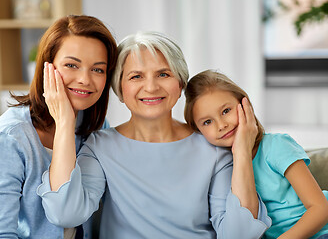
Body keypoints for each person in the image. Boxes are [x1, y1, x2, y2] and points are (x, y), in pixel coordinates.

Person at [37, 31, 271, 238]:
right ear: (119, 88)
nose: (151, 87)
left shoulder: (212, 150)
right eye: (136, 76)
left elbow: (239, 234)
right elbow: (65, 214)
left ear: (180, 85)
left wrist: (240, 152)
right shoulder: (99, 147)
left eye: (163, 74)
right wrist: (65, 122)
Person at [0, 15, 117, 238]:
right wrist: (65, 122)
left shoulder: (95, 127)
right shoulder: (9, 137)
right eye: (71, 65)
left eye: (98, 69)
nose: (85, 79)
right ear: (47, 67)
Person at [184, 69, 328, 239]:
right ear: (198, 131)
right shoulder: (220, 170)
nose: (221, 125)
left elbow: (320, 209)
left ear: (245, 106)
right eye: (207, 122)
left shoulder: (276, 145)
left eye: (226, 111)